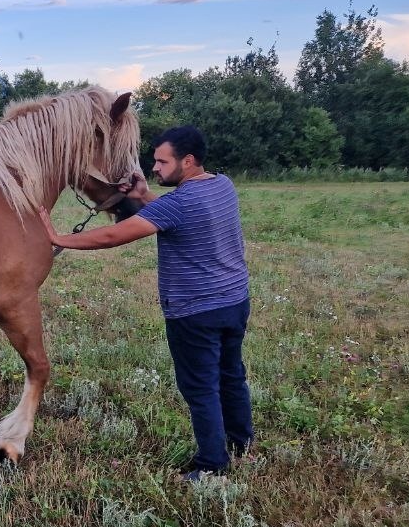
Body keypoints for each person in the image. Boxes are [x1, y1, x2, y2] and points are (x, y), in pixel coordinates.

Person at [41, 125, 253, 479]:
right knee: (231, 374)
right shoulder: (222, 185)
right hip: (234, 301)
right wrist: (144, 193)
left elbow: (112, 235)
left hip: (195, 310)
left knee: (200, 387)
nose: (153, 168)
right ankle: (240, 440)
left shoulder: (178, 204)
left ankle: (212, 464)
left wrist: (56, 236)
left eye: (161, 161)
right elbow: (174, 210)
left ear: (187, 161)